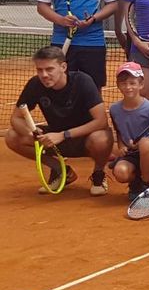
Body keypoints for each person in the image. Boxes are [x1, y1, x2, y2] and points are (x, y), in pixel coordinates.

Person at [5, 47, 114, 195]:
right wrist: (31, 133)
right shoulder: (35, 84)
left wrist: (63, 135)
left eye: (49, 69)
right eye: (39, 70)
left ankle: (98, 174)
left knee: (102, 138)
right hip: (53, 138)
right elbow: (16, 118)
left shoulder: (82, 81)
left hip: (84, 138)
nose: (44, 75)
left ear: (63, 67)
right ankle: (60, 170)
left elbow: (101, 121)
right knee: (12, 136)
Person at [109, 62, 149, 200]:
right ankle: (135, 183)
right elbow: (119, 131)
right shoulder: (114, 109)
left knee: (145, 143)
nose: (128, 87)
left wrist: (142, 143)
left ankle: (146, 186)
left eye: (132, 83)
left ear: (141, 84)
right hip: (131, 154)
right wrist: (122, 146)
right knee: (120, 172)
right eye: (123, 83)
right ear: (118, 85)